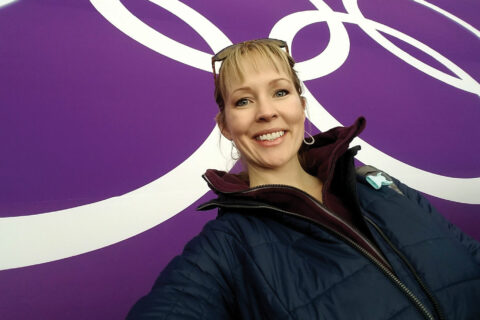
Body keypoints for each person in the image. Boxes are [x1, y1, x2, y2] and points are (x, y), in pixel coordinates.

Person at [127, 39, 480, 319]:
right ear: (226, 126)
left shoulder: (380, 186)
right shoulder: (227, 246)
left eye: (280, 92)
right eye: (244, 100)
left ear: (301, 103)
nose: (267, 112)